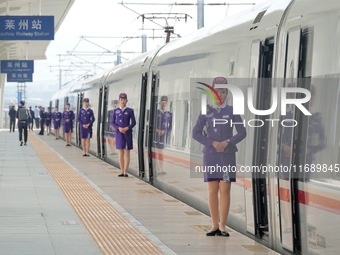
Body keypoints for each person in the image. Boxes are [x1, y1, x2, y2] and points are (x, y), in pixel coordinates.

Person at [192, 77, 246, 237]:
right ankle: (214, 224)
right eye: (217, 91)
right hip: (210, 155)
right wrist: (212, 142)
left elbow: (242, 132)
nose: (220, 95)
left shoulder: (232, 111)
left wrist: (228, 141)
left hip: (227, 156)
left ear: (227, 93)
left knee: (225, 189)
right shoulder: (205, 111)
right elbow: (195, 133)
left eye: (223, 91)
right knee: (212, 190)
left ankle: (223, 225)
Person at [111, 93, 136, 177]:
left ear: (126, 101)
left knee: (127, 152)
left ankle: (126, 171)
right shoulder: (115, 111)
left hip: (127, 133)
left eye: (124, 100)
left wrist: (127, 128)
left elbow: (133, 122)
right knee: (121, 152)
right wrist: (118, 128)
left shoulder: (130, 111)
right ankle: (121, 171)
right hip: (119, 134)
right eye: (121, 100)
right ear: (119, 100)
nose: (123, 101)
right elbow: (112, 122)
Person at [155, 95, 172, 175]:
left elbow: (170, 127)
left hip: (162, 137)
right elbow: (149, 123)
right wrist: (156, 130)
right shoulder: (155, 112)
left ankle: (160, 169)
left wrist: (164, 131)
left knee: (160, 152)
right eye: (162, 102)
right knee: (155, 152)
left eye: (165, 103)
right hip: (155, 136)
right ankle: (156, 168)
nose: (164, 104)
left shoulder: (169, 114)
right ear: (159, 103)